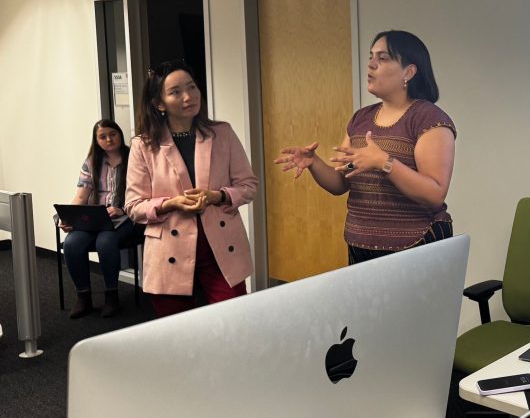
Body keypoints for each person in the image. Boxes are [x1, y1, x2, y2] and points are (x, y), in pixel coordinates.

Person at [277, 30, 456, 264]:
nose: (371, 65)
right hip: (360, 246)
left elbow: (434, 193)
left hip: (416, 244)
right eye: (371, 56)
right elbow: (340, 183)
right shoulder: (361, 119)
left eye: (383, 58)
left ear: (409, 72)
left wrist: (384, 162)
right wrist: (314, 163)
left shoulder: (428, 118)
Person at [125, 60, 258, 317]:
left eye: (192, 87)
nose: (188, 96)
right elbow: (133, 206)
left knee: (233, 324)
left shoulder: (222, 133)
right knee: (178, 335)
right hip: (169, 250)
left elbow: (249, 185)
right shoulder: (144, 145)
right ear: (159, 103)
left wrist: (218, 196)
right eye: (175, 92)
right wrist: (170, 204)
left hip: (219, 245)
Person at [58, 120, 144, 319]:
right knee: (72, 243)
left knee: (105, 241)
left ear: (120, 134)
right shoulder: (91, 162)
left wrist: (122, 209)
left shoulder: (135, 158)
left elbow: (145, 191)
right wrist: (68, 217)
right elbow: (81, 196)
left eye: (112, 134)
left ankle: (111, 297)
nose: (108, 139)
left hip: (127, 217)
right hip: (96, 217)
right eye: (102, 136)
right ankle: (83, 297)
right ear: (96, 140)